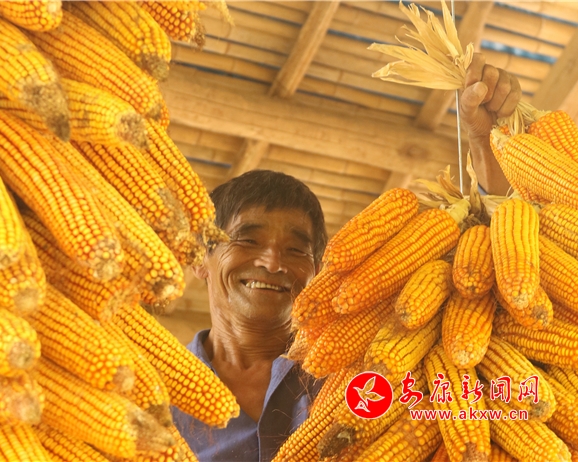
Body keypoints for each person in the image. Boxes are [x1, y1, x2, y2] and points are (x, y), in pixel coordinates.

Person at [172, 53, 521, 462]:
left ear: (319, 270)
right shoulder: (155, 394)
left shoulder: (374, 368)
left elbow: (491, 274)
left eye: (296, 249)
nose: (272, 262)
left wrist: (484, 140)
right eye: (247, 240)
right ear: (200, 258)